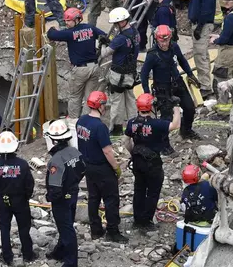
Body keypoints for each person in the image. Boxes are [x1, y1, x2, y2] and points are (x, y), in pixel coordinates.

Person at [76, 91, 129, 243]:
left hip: (87, 166)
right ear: (100, 106)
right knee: (111, 200)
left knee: (93, 198)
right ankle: (113, 231)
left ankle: (96, 230)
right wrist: (116, 168)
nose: (105, 107)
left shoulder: (81, 121)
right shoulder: (100, 127)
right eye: (104, 104)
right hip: (102, 168)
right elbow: (107, 151)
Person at [141, 25, 202, 150]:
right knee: (166, 118)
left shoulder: (174, 46)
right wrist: (147, 94)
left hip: (177, 82)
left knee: (190, 108)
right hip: (162, 88)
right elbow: (144, 74)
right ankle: (164, 145)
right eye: (161, 40)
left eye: (167, 40)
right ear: (156, 39)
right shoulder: (152, 55)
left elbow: (182, 60)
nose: (164, 43)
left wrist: (190, 74)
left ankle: (186, 130)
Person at [125, 93, 181, 228]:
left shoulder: (132, 123)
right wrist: (176, 107)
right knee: (152, 192)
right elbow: (175, 125)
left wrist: (132, 152)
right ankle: (146, 221)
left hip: (137, 161)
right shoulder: (156, 124)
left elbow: (126, 140)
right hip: (152, 162)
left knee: (139, 190)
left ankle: (137, 220)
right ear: (150, 107)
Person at [0, 131, 37, 265]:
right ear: (15, 146)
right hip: (21, 201)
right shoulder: (23, 164)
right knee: (24, 228)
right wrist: (26, 196)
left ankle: (8, 257)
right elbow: (30, 184)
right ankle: (28, 254)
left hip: (3, 200)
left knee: (5, 229)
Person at [47, 7, 106, 118]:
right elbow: (105, 36)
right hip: (94, 67)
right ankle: (87, 121)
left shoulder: (70, 33)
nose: (66, 23)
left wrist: (52, 28)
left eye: (68, 20)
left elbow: (52, 35)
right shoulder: (90, 28)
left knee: (75, 97)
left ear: (76, 19)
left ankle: (74, 122)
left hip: (80, 70)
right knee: (90, 97)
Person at [44, 120, 86, 267]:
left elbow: (55, 187)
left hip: (61, 199)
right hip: (73, 194)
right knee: (66, 224)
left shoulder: (56, 160)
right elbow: (82, 170)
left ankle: (70, 262)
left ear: (53, 139)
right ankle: (59, 251)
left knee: (66, 229)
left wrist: (50, 197)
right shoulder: (75, 152)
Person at [178, 0, 217, 98]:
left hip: (203, 25)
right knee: (199, 55)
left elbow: (207, 11)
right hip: (197, 24)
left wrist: (199, 28)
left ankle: (206, 88)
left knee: (201, 56)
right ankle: (205, 83)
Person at [102, 7, 140, 135]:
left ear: (121, 22)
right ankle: (134, 124)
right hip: (131, 73)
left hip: (118, 75)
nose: (115, 26)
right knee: (130, 98)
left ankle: (116, 129)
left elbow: (104, 54)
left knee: (116, 101)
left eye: (116, 23)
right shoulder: (135, 33)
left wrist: (103, 44)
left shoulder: (120, 39)